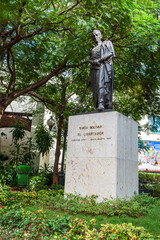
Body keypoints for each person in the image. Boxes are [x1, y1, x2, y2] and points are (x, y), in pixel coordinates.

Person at [88, 30, 115, 111]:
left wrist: (99, 60)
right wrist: (89, 78)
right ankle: (97, 104)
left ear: (100, 36)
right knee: (95, 88)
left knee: (101, 84)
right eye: (93, 36)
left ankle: (101, 103)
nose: (95, 37)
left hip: (102, 67)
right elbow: (91, 62)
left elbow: (110, 53)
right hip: (93, 70)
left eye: (96, 35)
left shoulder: (106, 43)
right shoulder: (92, 50)